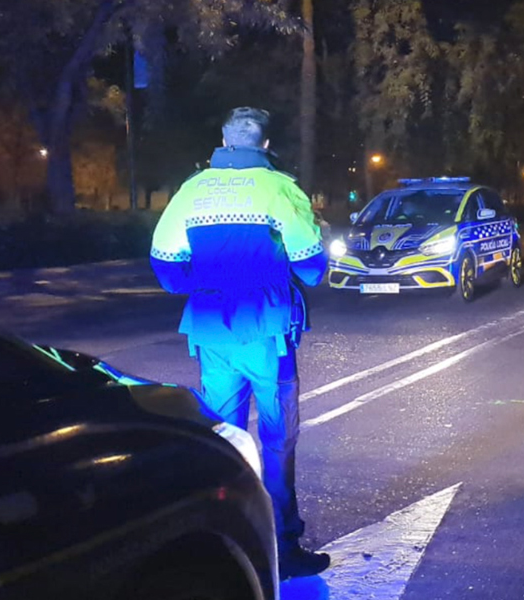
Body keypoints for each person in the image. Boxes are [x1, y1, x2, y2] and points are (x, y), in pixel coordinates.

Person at [150, 107, 330, 579]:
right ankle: (284, 549)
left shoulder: (191, 190)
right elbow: (312, 265)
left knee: (225, 438)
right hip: (267, 331)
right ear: (265, 145)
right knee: (277, 437)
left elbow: (167, 269)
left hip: (211, 331)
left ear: (223, 141)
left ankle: (228, 542)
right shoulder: (279, 189)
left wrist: (211, 280)